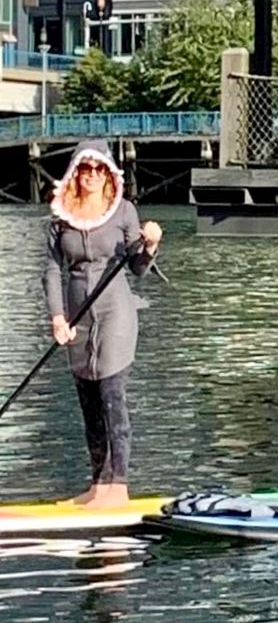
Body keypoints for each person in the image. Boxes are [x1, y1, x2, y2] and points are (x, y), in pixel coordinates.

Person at [43, 141, 162, 509]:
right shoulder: (61, 216)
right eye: (85, 168)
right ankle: (97, 485)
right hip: (78, 315)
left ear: (109, 173)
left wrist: (150, 245)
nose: (92, 174)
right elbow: (51, 270)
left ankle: (119, 486)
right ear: (75, 173)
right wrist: (58, 318)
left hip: (115, 312)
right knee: (88, 402)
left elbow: (138, 269)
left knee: (112, 394)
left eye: (99, 168)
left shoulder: (123, 211)